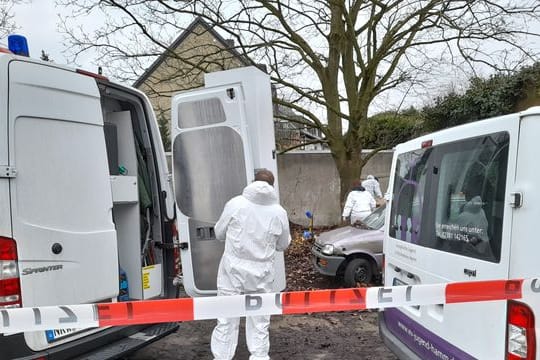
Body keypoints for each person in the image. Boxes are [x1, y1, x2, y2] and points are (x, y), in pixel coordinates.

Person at [211, 169, 291, 360]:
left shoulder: (235, 204)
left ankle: (222, 357)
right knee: (260, 319)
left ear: (253, 181)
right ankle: (259, 356)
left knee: (226, 317)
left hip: (232, 269)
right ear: (272, 186)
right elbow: (283, 244)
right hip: (262, 271)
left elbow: (219, 233)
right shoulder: (279, 212)